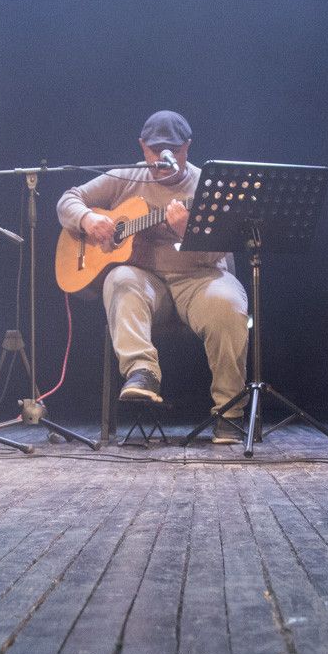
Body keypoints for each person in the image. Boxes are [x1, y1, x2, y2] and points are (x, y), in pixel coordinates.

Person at [58, 110, 249, 442]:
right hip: (145, 281)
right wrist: (87, 219)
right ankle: (141, 372)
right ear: (142, 147)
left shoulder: (207, 188)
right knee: (119, 279)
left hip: (199, 278)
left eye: (173, 149)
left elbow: (218, 254)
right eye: (156, 149)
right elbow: (68, 200)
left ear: (187, 147)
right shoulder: (125, 177)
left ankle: (229, 413)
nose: (164, 156)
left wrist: (188, 233)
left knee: (228, 304)